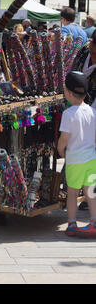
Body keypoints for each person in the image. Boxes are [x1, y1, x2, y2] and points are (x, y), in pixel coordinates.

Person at [57, 71, 96, 237]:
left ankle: (72, 224)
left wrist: (60, 151)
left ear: (68, 92)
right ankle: (94, 221)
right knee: (91, 191)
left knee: (72, 192)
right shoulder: (93, 112)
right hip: (91, 159)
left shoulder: (68, 114)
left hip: (74, 161)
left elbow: (64, 138)